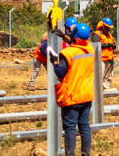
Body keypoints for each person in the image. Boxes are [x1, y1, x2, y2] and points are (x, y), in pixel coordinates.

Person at [51, 23, 94, 156]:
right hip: (86, 95)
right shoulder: (91, 50)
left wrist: (54, 61)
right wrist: (65, 37)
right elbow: (79, 45)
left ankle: (70, 154)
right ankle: (85, 154)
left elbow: (60, 72)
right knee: (84, 126)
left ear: (74, 36)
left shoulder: (67, 53)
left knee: (70, 128)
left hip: (72, 96)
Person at [28, 17, 78, 90]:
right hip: (38, 57)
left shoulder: (60, 40)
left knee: (50, 70)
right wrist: (48, 56)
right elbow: (42, 48)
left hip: (44, 58)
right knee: (37, 69)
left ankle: (52, 85)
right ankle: (30, 84)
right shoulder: (48, 41)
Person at [92, 17, 116, 90]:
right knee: (100, 76)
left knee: (108, 77)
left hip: (109, 59)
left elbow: (112, 43)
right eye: (107, 28)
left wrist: (113, 45)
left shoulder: (109, 35)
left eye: (109, 28)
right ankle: (98, 90)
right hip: (101, 59)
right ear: (102, 27)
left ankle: (106, 89)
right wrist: (108, 45)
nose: (108, 30)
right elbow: (96, 45)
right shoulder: (96, 35)